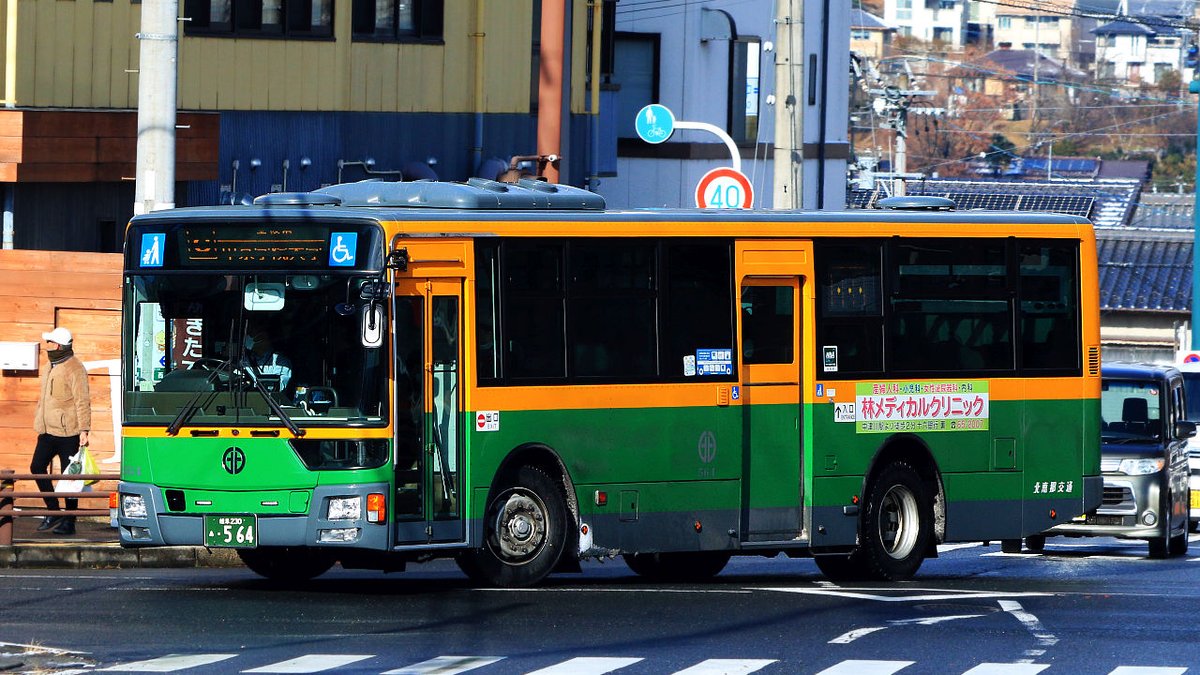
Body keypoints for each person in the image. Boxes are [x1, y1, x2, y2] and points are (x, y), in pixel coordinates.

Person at [30, 326, 91, 536]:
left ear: (58, 345)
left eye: (50, 343)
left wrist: (84, 429)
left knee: (70, 480)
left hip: (69, 433)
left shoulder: (75, 368)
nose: (48, 347)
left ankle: (69, 522)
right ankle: (54, 511)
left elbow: (83, 401)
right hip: (47, 430)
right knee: (37, 466)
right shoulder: (50, 366)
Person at [244, 325, 292, 391]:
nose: (248, 337)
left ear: (263, 337)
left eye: (251, 334)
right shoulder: (245, 361)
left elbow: (279, 389)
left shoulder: (281, 362)